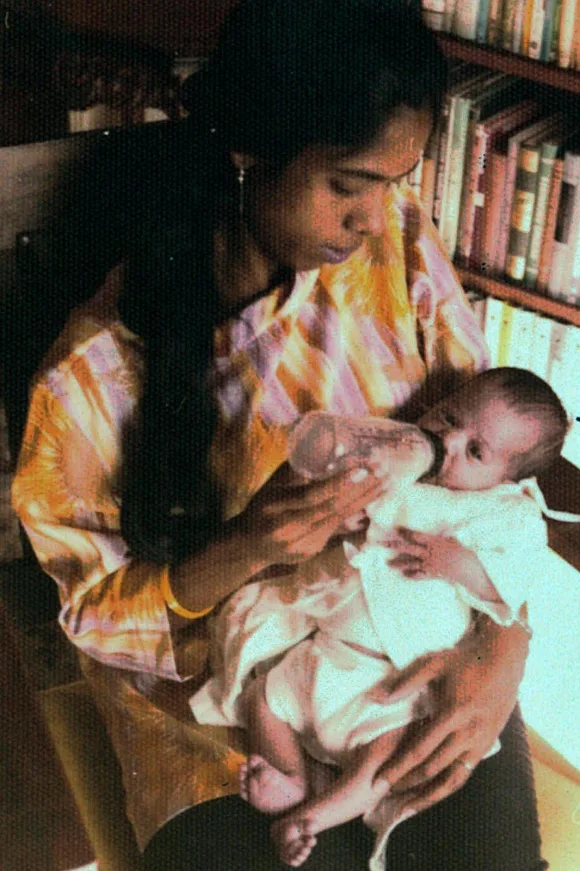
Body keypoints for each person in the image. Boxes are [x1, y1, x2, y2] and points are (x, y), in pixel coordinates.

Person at [10, 1, 549, 869]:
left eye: (392, 182)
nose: (373, 217)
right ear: (248, 153)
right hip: (219, 718)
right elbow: (93, 616)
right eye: (348, 184)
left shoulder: (397, 244)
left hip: (410, 657)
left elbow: (498, 464)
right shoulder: (91, 378)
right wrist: (248, 545)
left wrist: (502, 655)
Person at [190, 367, 573, 870]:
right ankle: (290, 779)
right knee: (264, 698)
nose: (449, 441)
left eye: (476, 451)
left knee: (385, 760)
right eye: (449, 418)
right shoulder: (402, 460)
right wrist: (340, 518)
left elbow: (511, 584)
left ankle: (314, 817)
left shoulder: (502, 513)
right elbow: (338, 506)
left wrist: (459, 564)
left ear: (509, 478)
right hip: (327, 650)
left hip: (394, 681)